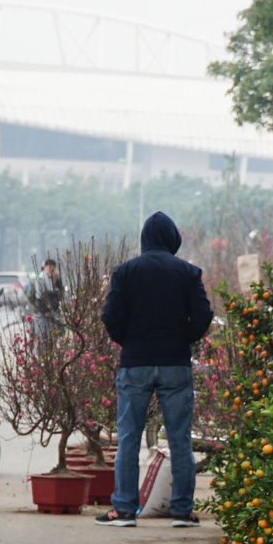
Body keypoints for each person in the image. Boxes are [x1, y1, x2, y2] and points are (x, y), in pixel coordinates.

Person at [99, 212, 214, 526]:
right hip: (175, 363)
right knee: (180, 440)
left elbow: (110, 315)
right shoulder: (188, 272)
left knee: (128, 438)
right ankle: (181, 511)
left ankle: (123, 510)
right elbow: (204, 315)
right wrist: (183, 339)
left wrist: (127, 340)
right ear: (172, 238)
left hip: (135, 362)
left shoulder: (125, 272)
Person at [29, 256, 63, 344]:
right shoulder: (40, 278)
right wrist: (38, 307)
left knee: (57, 333)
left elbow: (60, 293)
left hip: (54, 310)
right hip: (43, 310)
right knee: (43, 335)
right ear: (45, 267)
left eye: (53, 267)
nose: (51, 269)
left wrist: (58, 281)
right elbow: (37, 295)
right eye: (49, 266)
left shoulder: (54, 278)